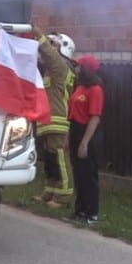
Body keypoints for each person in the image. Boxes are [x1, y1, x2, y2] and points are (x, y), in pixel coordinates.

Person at [31, 29, 76, 208]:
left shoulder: (61, 66)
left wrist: (35, 31)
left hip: (57, 120)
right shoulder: (52, 70)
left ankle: (63, 197)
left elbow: (48, 54)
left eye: (54, 44)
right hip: (48, 120)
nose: (50, 47)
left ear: (63, 49)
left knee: (60, 158)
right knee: (50, 160)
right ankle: (50, 192)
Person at [67, 54, 104, 225]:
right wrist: (69, 138)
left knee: (89, 175)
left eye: (78, 66)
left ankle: (92, 213)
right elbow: (72, 114)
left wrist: (84, 143)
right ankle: (80, 210)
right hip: (75, 130)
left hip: (87, 133)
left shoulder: (95, 90)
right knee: (78, 174)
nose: (76, 69)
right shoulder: (80, 87)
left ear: (86, 69)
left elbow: (94, 117)